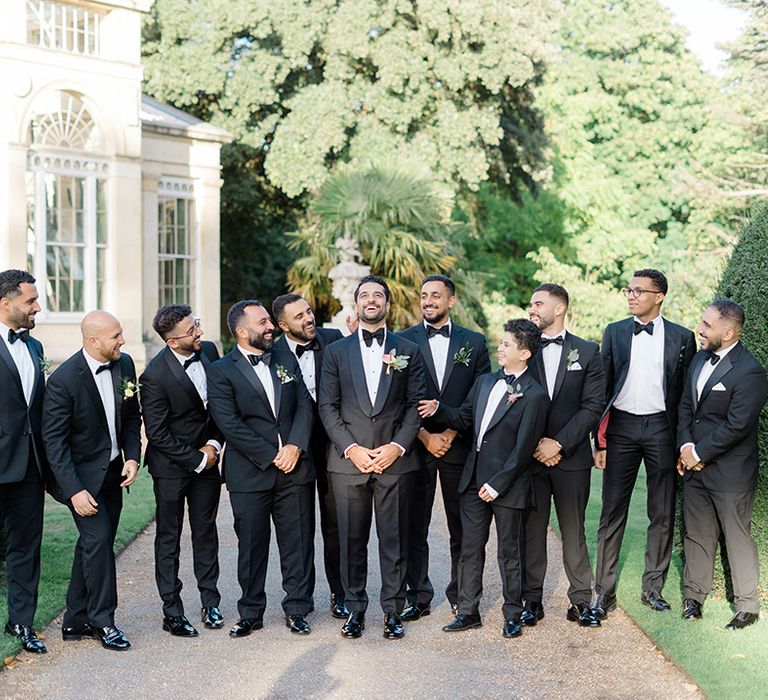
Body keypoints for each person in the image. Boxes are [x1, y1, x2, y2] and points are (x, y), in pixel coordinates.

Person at [419, 319, 549, 638]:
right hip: (473, 482)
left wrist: (497, 484)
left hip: (508, 487)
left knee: (509, 552)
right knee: (470, 548)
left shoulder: (534, 395)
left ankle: (512, 614)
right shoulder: (485, 382)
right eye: (500, 342)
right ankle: (468, 611)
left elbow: (523, 449)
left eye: (506, 344)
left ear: (525, 353)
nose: (499, 348)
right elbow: (464, 418)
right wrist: (438, 409)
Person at [318, 275, 425, 640]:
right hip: (349, 463)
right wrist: (352, 449)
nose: (371, 300)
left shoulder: (408, 348)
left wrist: (396, 447)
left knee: (394, 540)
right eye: (364, 295)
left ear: (387, 304)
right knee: (351, 541)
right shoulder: (335, 352)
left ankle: (393, 611)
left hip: (396, 462)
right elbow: (327, 407)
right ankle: (355, 609)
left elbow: (415, 407)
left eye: (378, 295)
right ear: (356, 304)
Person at [207, 300, 315, 637]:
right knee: (251, 546)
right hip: (250, 473)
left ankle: (298, 608)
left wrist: (295, 446)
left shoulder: (284, 358)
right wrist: (272, 455)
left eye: (270, 320)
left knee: (297, 543)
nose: (270, 326)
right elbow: (229, 424)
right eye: (263, 322)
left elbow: (304, 407)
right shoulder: (221, 370)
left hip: (294, 469)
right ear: (241, 331)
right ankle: (251, 612)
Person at [592, 269, 695, 620]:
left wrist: (683, 443)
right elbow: (603, 389)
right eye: (629, 290)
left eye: (639, 290)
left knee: (662, 511)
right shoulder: (615, 332)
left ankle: (653, 588)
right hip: (620, 427)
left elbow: (684, 397)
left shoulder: (682, 338)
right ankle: (602, 593)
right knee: (612, 509)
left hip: (661, 430)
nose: (631, 295)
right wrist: (599, 440)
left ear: (659, 296)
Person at [43, 311, 141, 651]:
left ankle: (74, 620)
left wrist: (132, 456)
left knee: (92, 545)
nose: (123, 341)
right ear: (92, 341)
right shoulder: (63, 380)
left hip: (114, 472)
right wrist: (75, 492)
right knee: (98, 543)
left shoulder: (124, 364)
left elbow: (131, 417)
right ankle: (104, 621)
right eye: (116, 336)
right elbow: (53, 444)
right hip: (81, 479)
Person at [398, 274, 490, 621]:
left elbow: (479, 392)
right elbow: (397, 398)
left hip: (459, 443)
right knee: (414, 525)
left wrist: (450, 433)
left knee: (461, 526)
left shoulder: (475, 342)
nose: (428, 301)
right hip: (416, 446)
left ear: (451, 301)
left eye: (436, 295)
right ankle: (417, 595)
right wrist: (424, 436)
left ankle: (460, 594)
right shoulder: (402, 340)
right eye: (424, 296)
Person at [677, 300, 768, 630]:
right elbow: (687, 407)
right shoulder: (699, 359)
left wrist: (697, 453)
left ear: (728, 332)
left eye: (706, 324)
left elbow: (737, 425)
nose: (699, 329)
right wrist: (686, 447)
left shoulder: (751, 371)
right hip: (694, 464)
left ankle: (747, 606)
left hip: (730, 472)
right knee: (697, 533)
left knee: (736, 535)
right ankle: (693, 597)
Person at [140, 305, 225, 637]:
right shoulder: (154, 376)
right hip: (172, 468)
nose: (199, 333)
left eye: (197, 325)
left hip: (209, 459)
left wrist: (214, 446)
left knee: (206, 532)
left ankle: (210, 602)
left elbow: (220, 406)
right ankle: (172, 611)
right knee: (169, 538)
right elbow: (158, 434)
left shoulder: (210, 353)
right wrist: (197, 458)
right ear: (173, 342)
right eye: (192, 331)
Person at [522, 284, 604, 628]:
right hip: (530, 457)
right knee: (532, 529)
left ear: (560, 309)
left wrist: (559, 444)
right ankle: (531, 600)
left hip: (571, 458)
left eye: (538, 303)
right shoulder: (524, 349)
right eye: (530, 304)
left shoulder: (587, 351)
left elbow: (592, 406)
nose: (532, 309)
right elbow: (516, 396)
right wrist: (537, 444)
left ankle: (582, 600)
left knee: (573, 529)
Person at [272, 293, 347, 620]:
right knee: (299, 527)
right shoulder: (271, 353)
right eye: (299, 316)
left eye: (309, 312)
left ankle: (341, 593)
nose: (308, 319)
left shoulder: (334, 339)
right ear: (282, 325)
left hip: (333, 444)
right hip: (295, 447)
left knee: (337, 524)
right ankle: (299, 601)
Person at [0, 270, 48, 653]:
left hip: (30, 468)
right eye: (30, 301)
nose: (37, 307)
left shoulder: (35, 348)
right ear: (6, 304)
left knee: (26, 549)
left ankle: (21, 623)